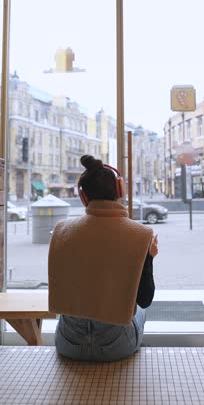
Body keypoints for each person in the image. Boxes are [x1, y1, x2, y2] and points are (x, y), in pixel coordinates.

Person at [48, 155, 158, 362]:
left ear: (83, 197)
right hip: (117, 346)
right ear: (120, 191)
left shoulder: (61, 230)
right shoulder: (141, 234)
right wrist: (148, 257)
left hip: (67, 343)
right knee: (141, 312)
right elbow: (145, 299)